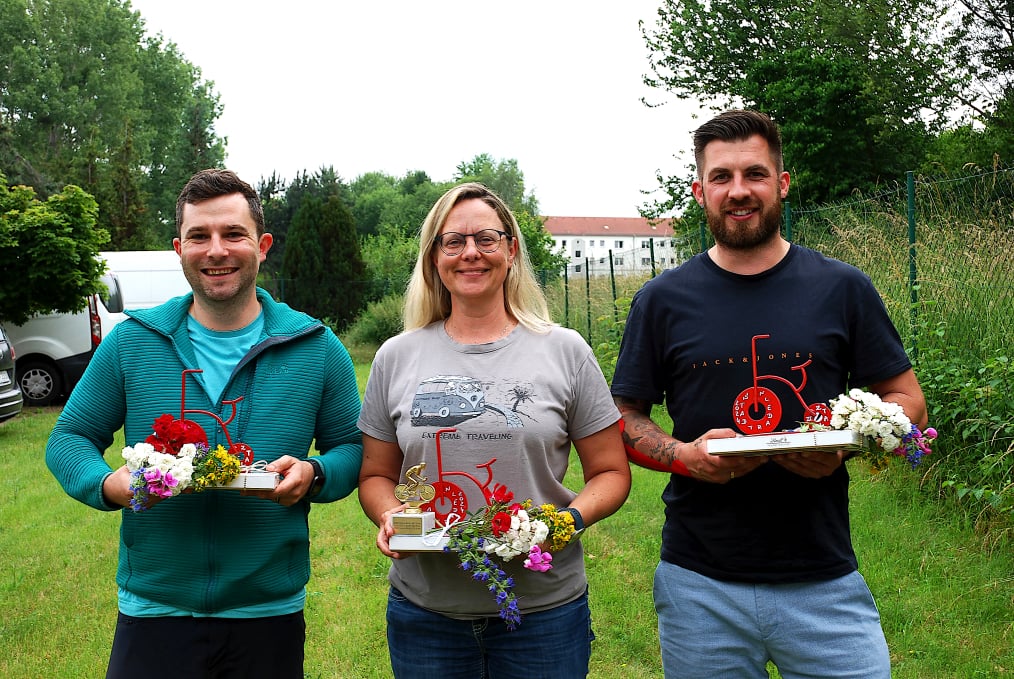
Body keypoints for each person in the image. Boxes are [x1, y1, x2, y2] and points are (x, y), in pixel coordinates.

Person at [611, 110, 928, 679]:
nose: (738, 191)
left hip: (822, 576)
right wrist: (683, 456)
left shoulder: (841, 287)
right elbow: (624, 415)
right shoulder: (662, 300)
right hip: (698, 585)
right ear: (699, 191)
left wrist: (845, 444)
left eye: (755, 174)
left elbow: (907, 398)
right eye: (721, 177)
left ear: (782, 183)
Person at [46, 169, 364, 679]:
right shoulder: (133, 342)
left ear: (261, 245)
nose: (216, 250)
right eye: (199, 236)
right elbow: (69, 438)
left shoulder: (316, 347)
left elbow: (352, 448)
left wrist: (315, 474)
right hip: (153, 608)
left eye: (233, 234)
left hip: (268, 611)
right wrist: (108, 484)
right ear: (180, 248)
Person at [357, 182, 631, 679]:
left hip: (545, 615)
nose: (470, 254)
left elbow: (612, 472)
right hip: (426, 616)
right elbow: (375, 475)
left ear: (511, 249)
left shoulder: (565, 351)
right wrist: (392, 514)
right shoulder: (397, 356)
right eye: (453, 241)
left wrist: (563, 524)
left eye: (486, 238)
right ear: (434, 257)